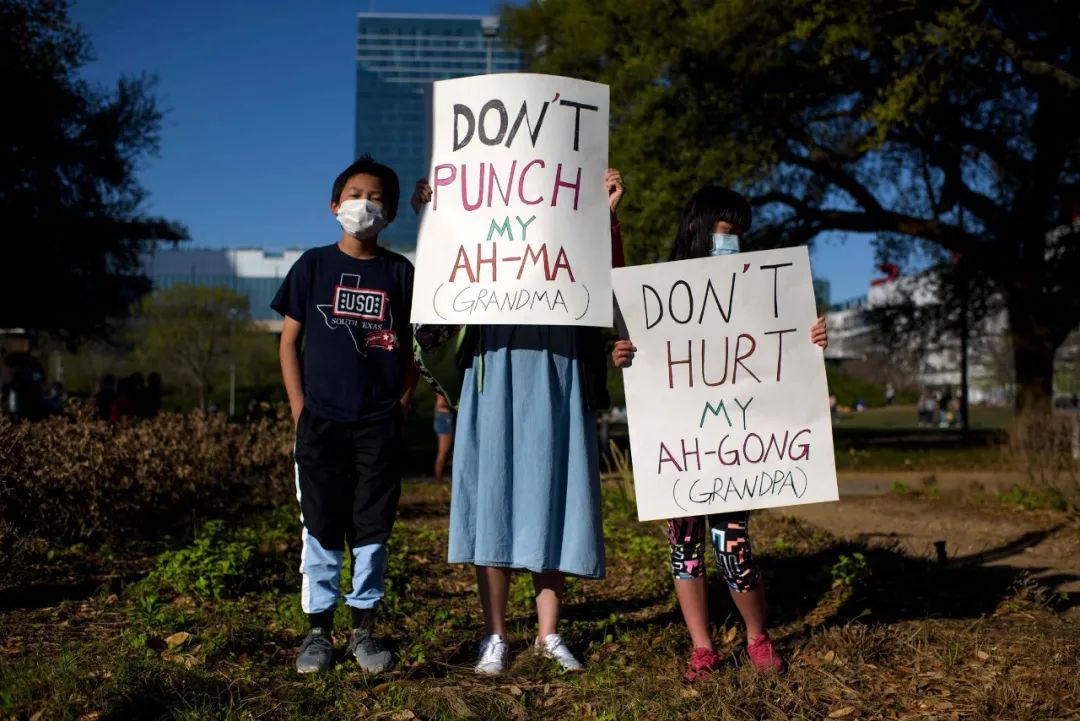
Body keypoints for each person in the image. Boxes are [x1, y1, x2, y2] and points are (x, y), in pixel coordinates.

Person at [411, 168, 626, 675]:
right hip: (494, 361)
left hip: (559, 362)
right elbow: (444, 272)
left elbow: (608, 283)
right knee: (494, 497)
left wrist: (605, 216)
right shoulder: (488, 235)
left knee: (552, 493)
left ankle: (548, 633)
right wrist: (433, 215)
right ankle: (496, 635)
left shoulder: (566, 234)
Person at [610, 184, 828, 680]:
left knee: (733, 540)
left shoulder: (755, 290)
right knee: (683, 543)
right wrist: (622, 354)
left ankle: (757, 637)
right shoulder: (661, 292)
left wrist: (811, 339)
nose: (734, 242)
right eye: (728, 231)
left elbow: (782, 347)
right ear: (698, 228)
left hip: (731, 443)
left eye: (739, 234)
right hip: (681, 442)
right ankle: (702, 647)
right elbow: (630, 314)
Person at [271, 155, 418, 675]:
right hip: (321, 423)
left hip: (378, 424)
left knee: (373, 527)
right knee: (321, 525)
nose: (365, 204)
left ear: (392, 212)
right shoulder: (312, 266)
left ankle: (364, 628)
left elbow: (415, 350)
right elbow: (289, 342)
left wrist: (401, 403)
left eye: (377, 197)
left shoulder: (402, 273)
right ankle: (317, 631)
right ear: (335, 205)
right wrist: (299, 408)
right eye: (356, 194)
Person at [432, 393, 454, 483]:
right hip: (445, 418)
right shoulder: (442, 389)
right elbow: (442, 403)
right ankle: (438, 480)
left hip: (443, 417)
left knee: (447, 452)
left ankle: (440, 479)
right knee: (443, 452)